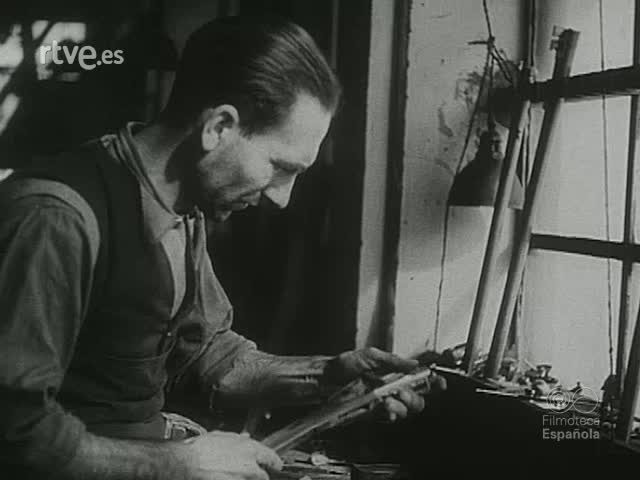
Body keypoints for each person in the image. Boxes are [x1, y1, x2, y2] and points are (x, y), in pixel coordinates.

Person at [0, 16, 443, 480]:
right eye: (279, 167)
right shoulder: (54, 218)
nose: (282, 197)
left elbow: (207, 355)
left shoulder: (183, 207)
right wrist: (180, 464)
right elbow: (15, 432)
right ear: (219, 126)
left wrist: (329, 375)